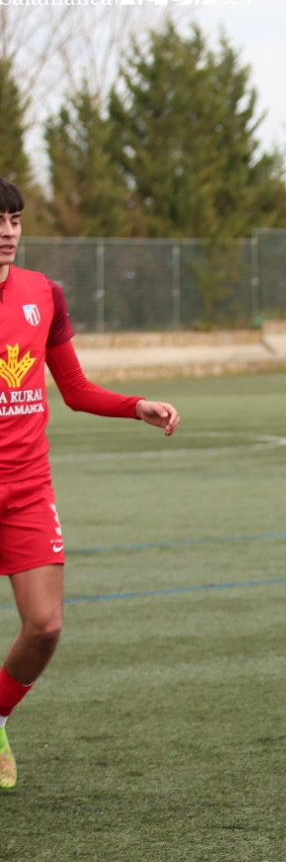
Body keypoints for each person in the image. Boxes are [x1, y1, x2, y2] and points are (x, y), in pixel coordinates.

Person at [0, 177, 181, 790]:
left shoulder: (43, 293)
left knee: (45, 626)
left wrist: (136, 405)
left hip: (26, 487)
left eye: (15, 220)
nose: (7, 231)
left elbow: (74, 390)